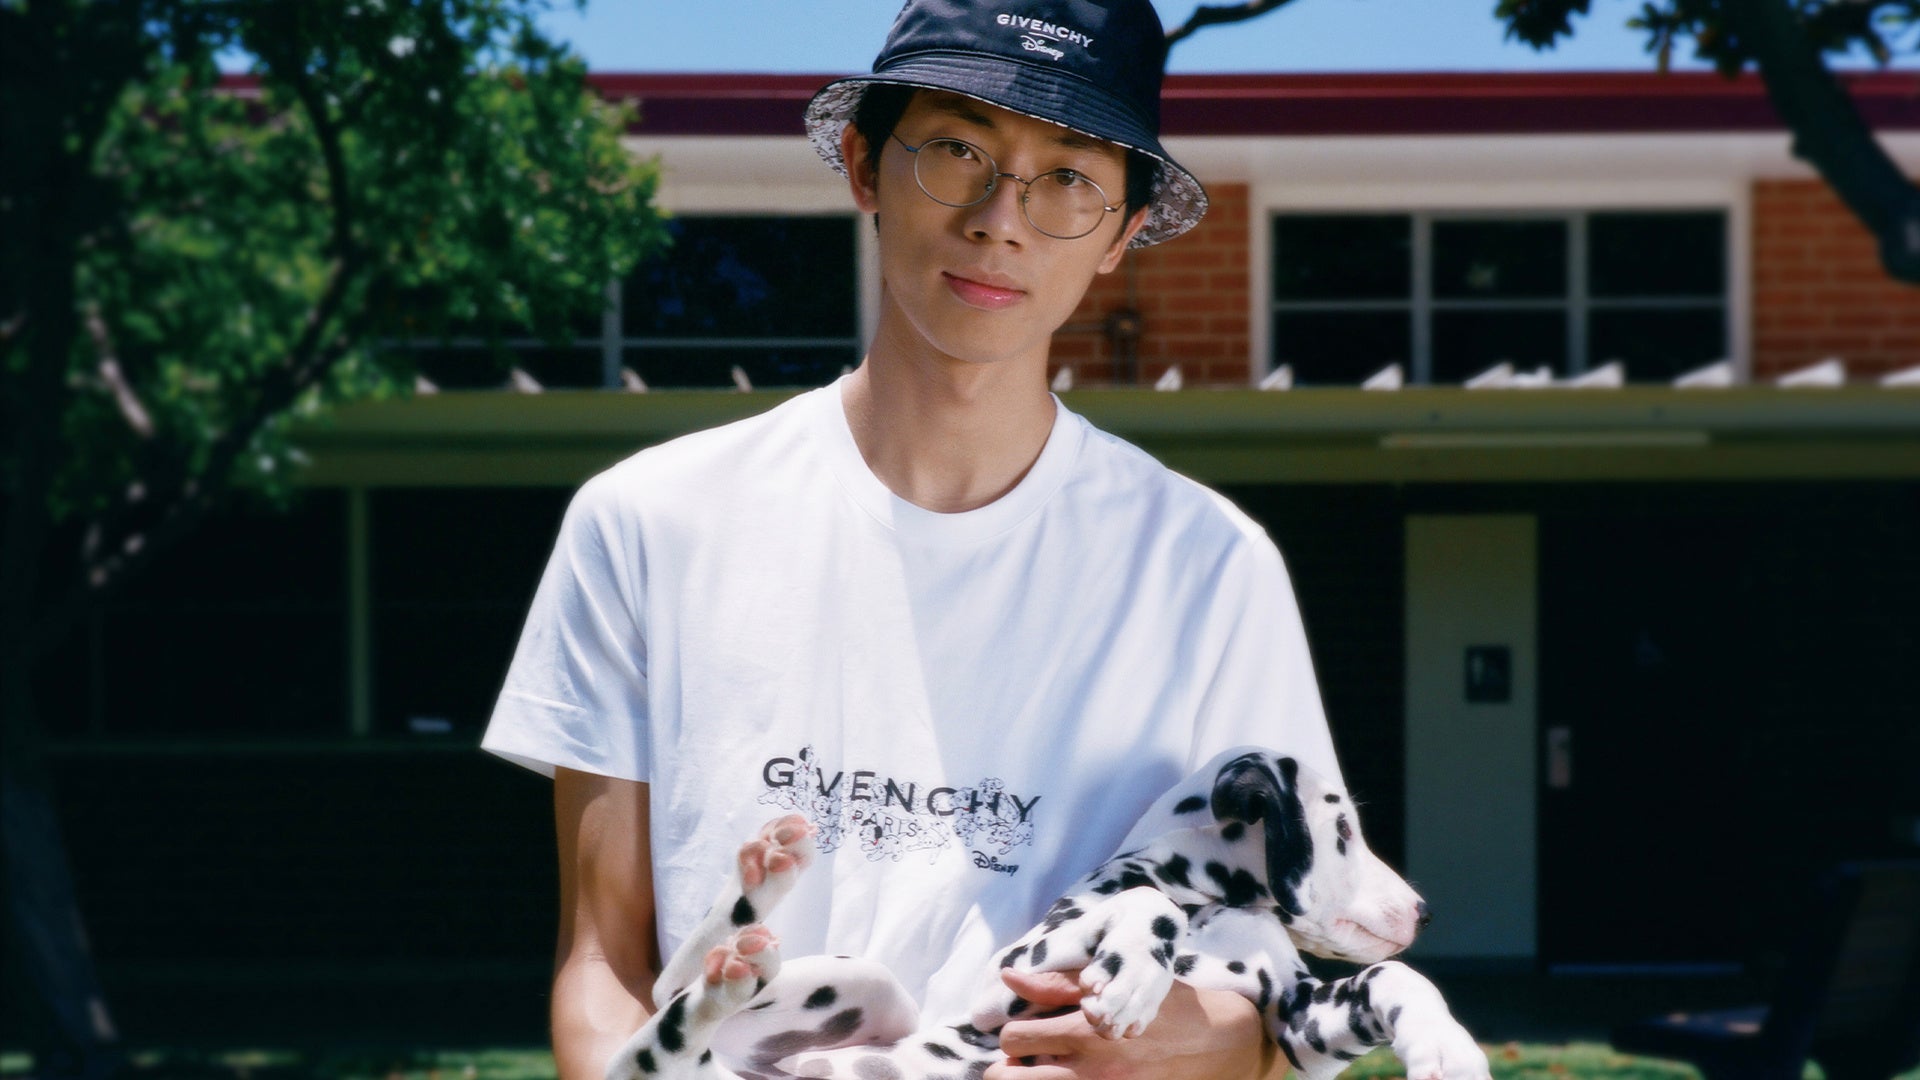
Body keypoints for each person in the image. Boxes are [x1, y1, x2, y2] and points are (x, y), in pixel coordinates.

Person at [482, 2, 1346, 1078]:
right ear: (864, 164)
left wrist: (1201, 1045)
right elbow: (602, 964)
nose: (1001, 219)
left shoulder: (1210, 568)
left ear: (1123, 232)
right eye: (957, 152)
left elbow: (1278, 1000)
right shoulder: (650, 522)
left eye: (1069, 178)